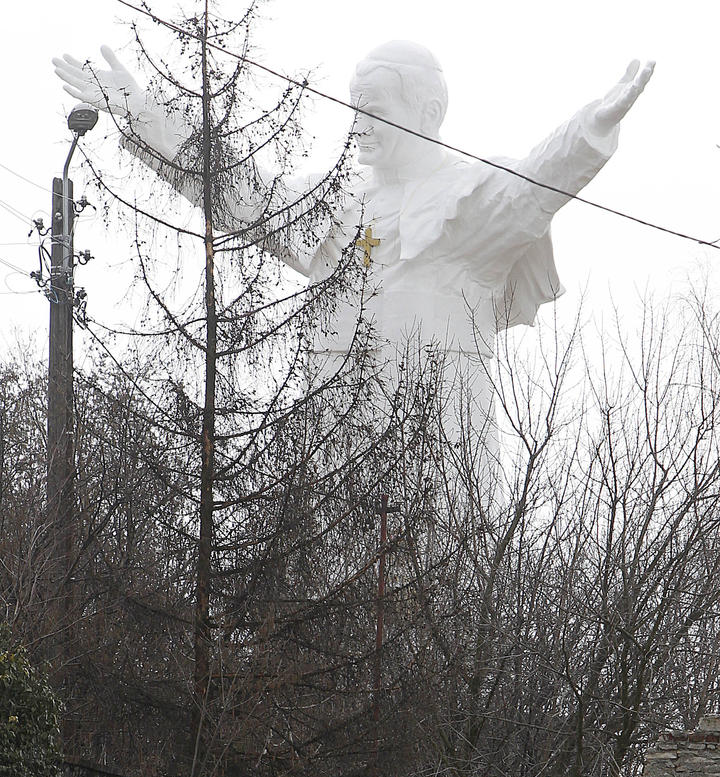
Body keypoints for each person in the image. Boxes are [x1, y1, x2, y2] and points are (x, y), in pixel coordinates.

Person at [53, 40, 654, 465]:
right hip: (336, 438)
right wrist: (141, 111)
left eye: (375, 109)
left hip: (440, 449)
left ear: (429, 114)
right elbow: (240, 191)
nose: (358, 124)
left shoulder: (465, 201)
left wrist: (589, 129)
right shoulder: (338, 207)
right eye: (354, 107)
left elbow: (532, 185)